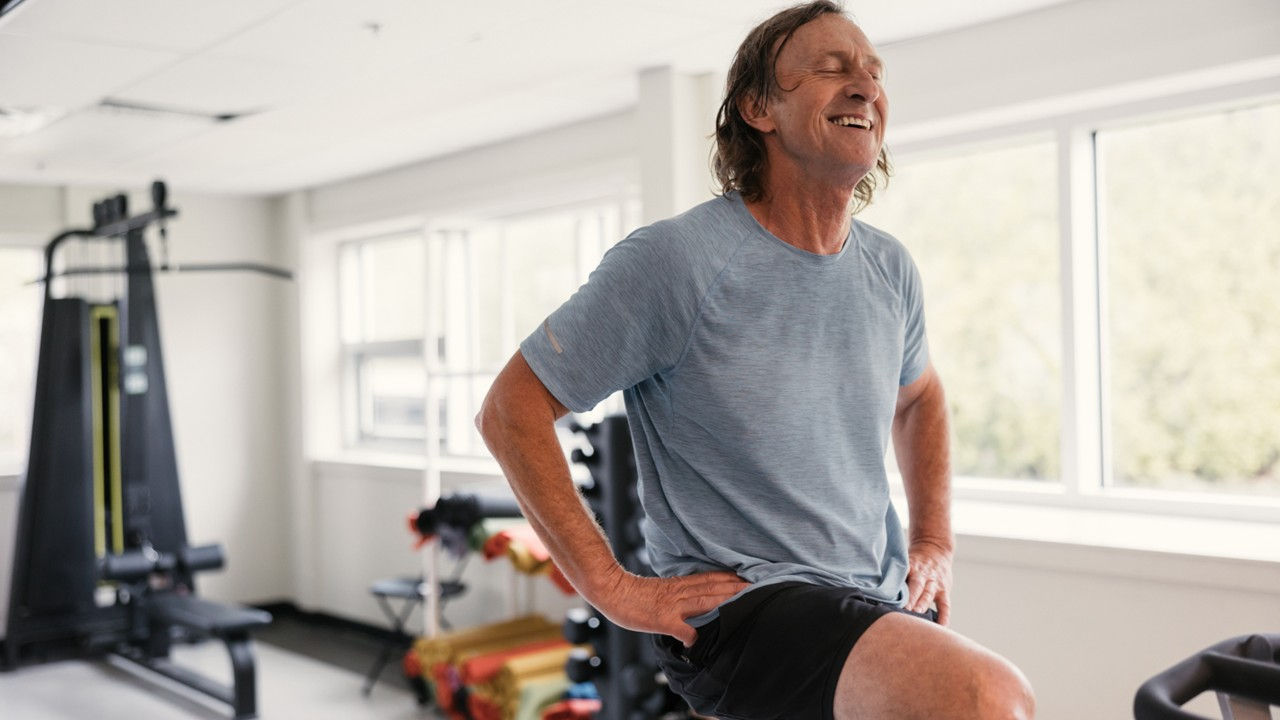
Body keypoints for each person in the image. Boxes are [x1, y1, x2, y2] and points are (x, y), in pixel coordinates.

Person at [476, 2, 1035, 718]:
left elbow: (919, 396)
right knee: (989, 695)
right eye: (832, 68)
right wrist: (612, 588)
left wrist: (933, 542)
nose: (865, 86)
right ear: (757, 108)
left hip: (873, 594)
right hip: (746, 611)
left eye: (873, 72)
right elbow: (511, 408)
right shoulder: (678, 261)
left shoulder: (889, 269)